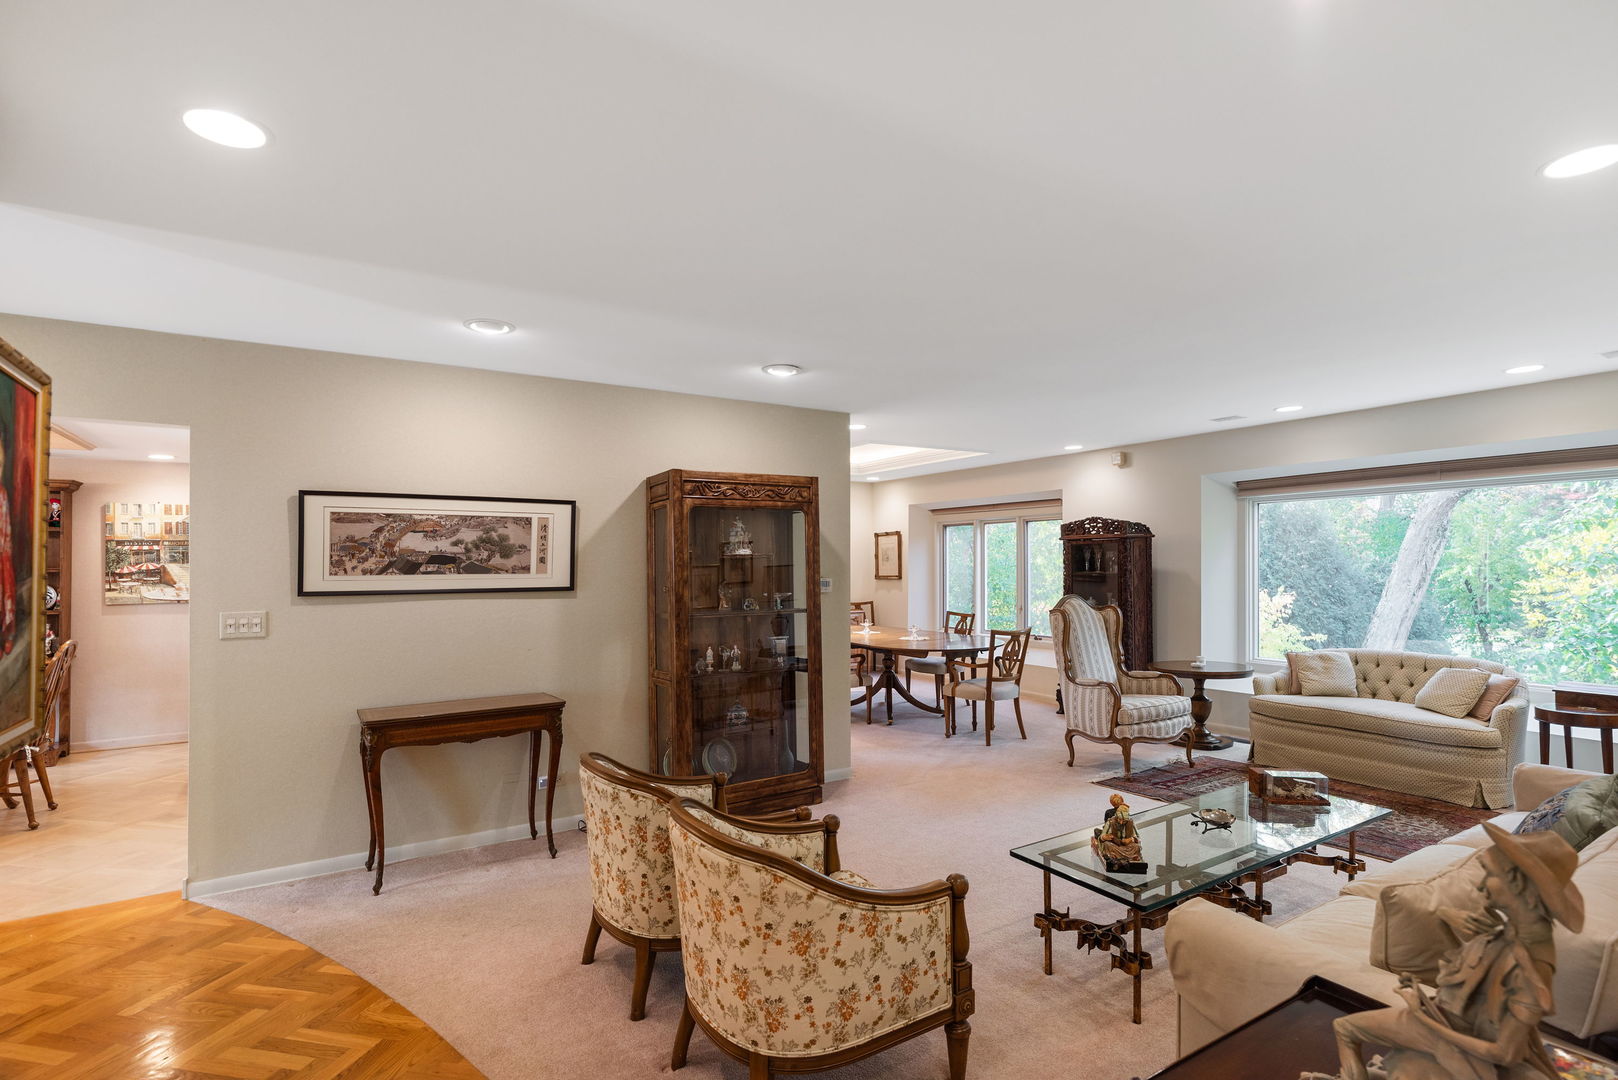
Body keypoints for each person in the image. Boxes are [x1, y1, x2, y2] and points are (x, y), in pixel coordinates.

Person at [1321, 821, 1583, 1080]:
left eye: (1490, 875)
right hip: (1447, 1019)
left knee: (1345, 1028)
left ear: (1516, 882)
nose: (1481, 886)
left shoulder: (1530, 966)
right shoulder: (1518, 934)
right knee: (1347, 1028)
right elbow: (1478, 985)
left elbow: (1505, 1055)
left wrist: (1426, 1021)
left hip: (1451, 1037)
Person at [1092, 792, 1143, 869]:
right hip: (1114, 845)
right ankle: (1117, 857)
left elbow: (1138, 838)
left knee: (1136, 847)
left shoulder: (1130, 822)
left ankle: (1128, 857)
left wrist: (1131, 839)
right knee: (1107, 844)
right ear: (1116, 816)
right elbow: (1102, 837)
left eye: (1124, 821)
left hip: (1127, 846)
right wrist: (1104, 837)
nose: (1121, 822)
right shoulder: (1111, 821)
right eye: (1119, 820)